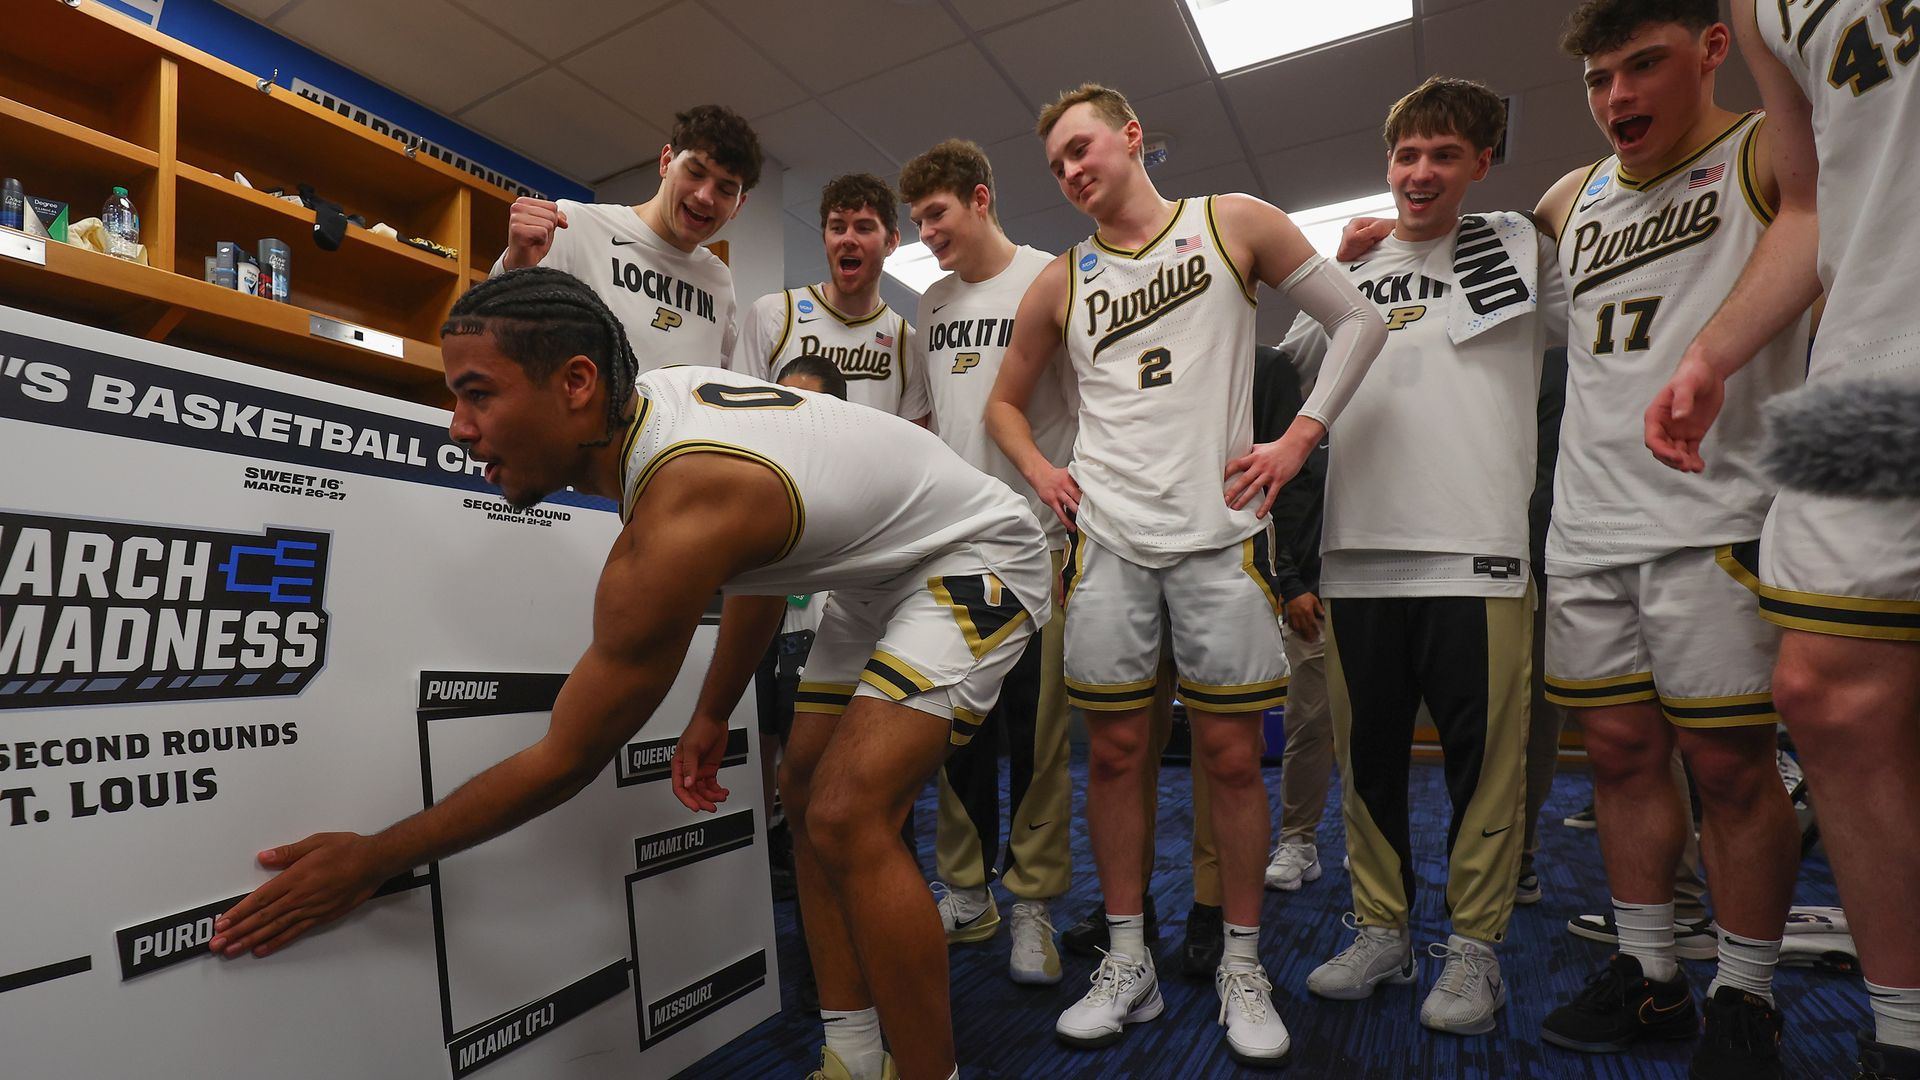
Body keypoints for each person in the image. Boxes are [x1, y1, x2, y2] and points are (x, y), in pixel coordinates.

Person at [208, 268, 1052, 1080]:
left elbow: (566, 761)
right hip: (871, 566)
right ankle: (854, 1055)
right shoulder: (654, 415)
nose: (457, 427)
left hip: (978, 552)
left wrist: (373, 859)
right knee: (801, 787)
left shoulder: (677, 513)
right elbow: (769, 552)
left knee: (845, 811)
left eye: (477, 393)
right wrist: (714, 709)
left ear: (577, 382)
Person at [1341, 6, 1807, 1072]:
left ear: (1712, 48)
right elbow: (1466, 273)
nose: (1618, 99)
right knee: (1620, 756)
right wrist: (1367, 250)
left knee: (1732, 769)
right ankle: (1650, 977)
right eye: (1600, 80)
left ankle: (1746, 995)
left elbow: (1829, 239)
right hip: (1586, 522)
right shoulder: (1567, 200)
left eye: (1643, 66)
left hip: (1716, 511)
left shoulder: (1769, 150)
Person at [987, 82, 1386, 1067]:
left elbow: (1359, 322)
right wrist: (1046, 474)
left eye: (1083, 148)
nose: (1073, 171)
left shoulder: (1232, 224)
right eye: (1056, 165)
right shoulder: (1062, 279)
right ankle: (1130, 962)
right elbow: (1004, 404)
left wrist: (1298, 438)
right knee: (1114, 759)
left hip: (1222, 537)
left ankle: (1240, 966)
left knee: (1232, 761)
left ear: (1131, 139)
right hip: (1110, 543)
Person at [1647, 0, 1920, 1074]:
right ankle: (1902, 1037)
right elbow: (1811, 202)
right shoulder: (1758, 7)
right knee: (1826, 694)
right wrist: (1712, 352)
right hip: (1870, 361)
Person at [1282, 75, 1566, 1038]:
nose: (1421, 172)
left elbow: (1601, 339)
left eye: (1446, 154)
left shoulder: (1523, 245)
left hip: (1477, 551)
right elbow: (1296, 373)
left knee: (1484, 768)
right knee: (1369, 763)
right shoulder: (1348, 270)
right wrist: (1338, 256)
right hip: (1359, 556)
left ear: (1483, 163)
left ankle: (1475, 950)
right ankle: (1382, 931)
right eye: (1407, 154)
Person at [899, 139, 1073, 987]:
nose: (927, 233)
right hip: (957, 547)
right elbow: (936, 422)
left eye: (937, 215)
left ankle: (1033, 903)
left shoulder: (1053, 276)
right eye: (919, 221)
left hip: (1040, 541)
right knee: (956, 726)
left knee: (1039, 735)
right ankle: (969, 893)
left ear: (980, 198)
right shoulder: (930, 306)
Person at [494, 104, 760, 373]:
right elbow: (490, 330)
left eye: (725, 190)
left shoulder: (718, 279)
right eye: (695, 173)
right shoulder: (575, 224)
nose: (705, 196)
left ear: (738, 205)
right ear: (666, 162)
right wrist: (517, 263)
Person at [731, 173, 929, 424]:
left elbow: (911, 448)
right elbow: (737, 421)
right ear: (825, 238)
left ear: (891, 242)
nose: (848, 239)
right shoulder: (772, 315)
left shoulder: (907, 343)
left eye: (864, 228)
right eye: (837, 227)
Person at [1259, 342, 1334, 899]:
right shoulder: (1290, 423)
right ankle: (1298, 840)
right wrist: (1292, 585)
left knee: (1376, 727)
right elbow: (1279, 507)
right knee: (1309, 724)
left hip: (1383, 580)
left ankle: (1371, 838)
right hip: (1314, 593)